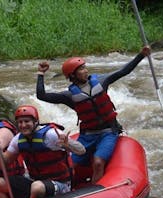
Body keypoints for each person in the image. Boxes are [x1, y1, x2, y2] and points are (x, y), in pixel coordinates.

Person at [36, 46, 151, 183]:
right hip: (87, 135)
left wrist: (141, 55)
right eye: (81, 69)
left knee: (97, 162)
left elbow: (124, 71)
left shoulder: (102, 82)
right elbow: (41, 95)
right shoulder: (69, 96)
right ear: (72, 75)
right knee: (71, 165)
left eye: (85, 67)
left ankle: (94, 190)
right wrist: (40, 74)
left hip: (109, 132)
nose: (86, 71)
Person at [0, 105, 85, 198]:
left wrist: (67, 145)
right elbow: (5, 163)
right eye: (20, 122)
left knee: (37, 187)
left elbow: (81, 150)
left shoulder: (51, 134)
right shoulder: (18, 139)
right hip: (35, 181)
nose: (23, 125)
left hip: (61, 184)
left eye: (27, 121)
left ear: (35, 122)